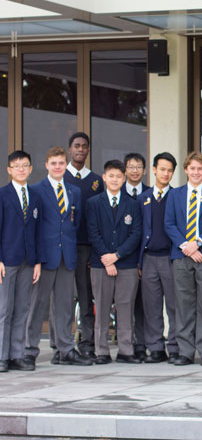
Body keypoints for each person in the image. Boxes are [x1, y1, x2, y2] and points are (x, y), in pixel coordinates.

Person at [25, 147, 92, 368]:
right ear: (46, 165)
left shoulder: (74, 191)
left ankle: (65, 350)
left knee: (64, 306)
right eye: (53, 163)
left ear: (66, 165)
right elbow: (32, 226)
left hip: (67, 256)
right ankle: (29, 350)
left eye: (61, 163)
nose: (57, 167)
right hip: (44, 258)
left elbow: (74, 222)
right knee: (37, 306)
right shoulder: (36, 190)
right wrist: (35, 258)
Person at [164, 151, 202, 366]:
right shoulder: (175, 194)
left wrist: (197, 243)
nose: (196, 172)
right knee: (184, 304)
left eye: (200, 169)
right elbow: (169, 224)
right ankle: (185, 351)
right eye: (192, 168)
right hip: (181, 255)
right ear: (186, 170)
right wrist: (186, 246)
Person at [86, 160, 142, 364]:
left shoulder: (133, 204)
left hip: (126, 264)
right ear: (104, 177)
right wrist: (107, 259)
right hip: (101, 264)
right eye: (111, 176)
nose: (115, 180)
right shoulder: (93, 203)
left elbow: (136, 233)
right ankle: (101, 351)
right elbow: (93, 233)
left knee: (125, 307)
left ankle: (126, 350)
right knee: (101, 307)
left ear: (124, 178)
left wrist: (117, 255)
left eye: (119, 176)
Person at [64, 132, 104, 362]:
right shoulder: (60, 177)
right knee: (62, 299)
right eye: (76, 146)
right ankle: (61, 344)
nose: (80, 149)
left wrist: (96, 251)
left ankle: (87, 343)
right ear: (70, 149)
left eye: (84, 146)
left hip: (87, 248)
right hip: (63, 247)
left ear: (88, 150)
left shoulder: (96, 181)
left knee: (86, 298)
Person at [0, 151, 41, 372]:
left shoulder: (34, 196)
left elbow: (38, 230)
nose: (21, 169)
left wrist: (38, 261)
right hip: (7, 260)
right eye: (17, 166)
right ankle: (1, 356)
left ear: (31, 169)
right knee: (4, 309)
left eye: (25, 165)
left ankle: (16, 355)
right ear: (9, 170)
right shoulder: (2, 195)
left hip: (28, 260)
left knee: (22, 308)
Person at [137, 152, 178, 364]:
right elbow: (137, 232)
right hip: (149, 258)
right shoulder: (142, 198)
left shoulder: (177, 196)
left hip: (170, 258)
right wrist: (138, 261)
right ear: (154, 170)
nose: (166, 174)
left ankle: (175, 346)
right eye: (162, 169)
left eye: (170, 170)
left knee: (174, 305)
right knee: (151, 306)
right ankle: (155, 348)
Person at [122, 152, 150, 361]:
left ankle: (141, 344)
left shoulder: (150, 193)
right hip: (121, 256)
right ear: (125, 170)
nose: (135, 171)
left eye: (138, 167)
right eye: (131, 167)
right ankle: (125, 344)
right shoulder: (116, 191)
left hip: (143, 255)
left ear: (145, 170)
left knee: (142, 303)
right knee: (123, 303)